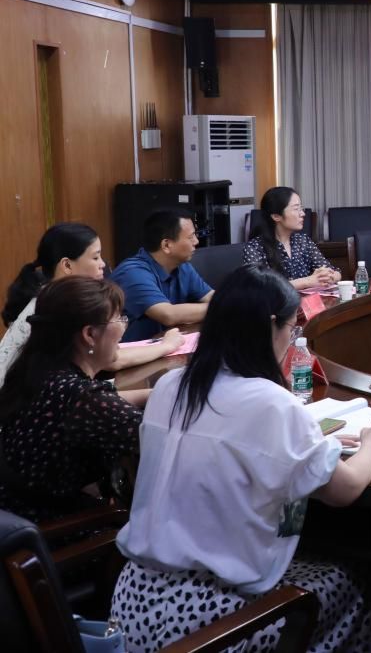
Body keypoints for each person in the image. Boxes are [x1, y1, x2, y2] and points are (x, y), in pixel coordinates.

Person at [113, 265, 371, 652]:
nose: (292, 338)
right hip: (211, 620)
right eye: (292, 327)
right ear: (271, 325)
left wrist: (305, 440)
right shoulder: (272, 403)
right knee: (354, 582)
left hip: (131, 605)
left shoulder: (170, 384)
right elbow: (344, 490)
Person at [0, 277, 143, 523]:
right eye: (119, 319)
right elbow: (162, 442)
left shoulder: (38, 371)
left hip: (19, 518)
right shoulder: (83, 399)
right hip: (62, 532)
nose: (123, 327)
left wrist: (152, 394)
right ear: (89, 334)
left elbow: (101, 403)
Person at [0, 223, 182, 383]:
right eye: (95, 258)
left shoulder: (49, 294)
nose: (103, 264)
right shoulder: (63, 305)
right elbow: (113, 360)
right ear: (67, 265)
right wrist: (166, 346)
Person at [110, 209, 214, 342]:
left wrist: (226, 302)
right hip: (131, 351)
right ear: (166, 245)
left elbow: (211, 296)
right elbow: (168, 315)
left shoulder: (183, 267)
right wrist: (221, 306)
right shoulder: (132, 272)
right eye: (191, 237)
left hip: (164, 346)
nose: (196, 241)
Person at [243, 186, 341, 290]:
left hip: (309, 300)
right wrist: (308, 281)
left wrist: (329, 276)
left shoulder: (303, 241)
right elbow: (259, 287)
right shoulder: (254, 248)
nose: (303, 214)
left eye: (301, 208)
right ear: (276, 216)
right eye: (296, 209)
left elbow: (335, 272)